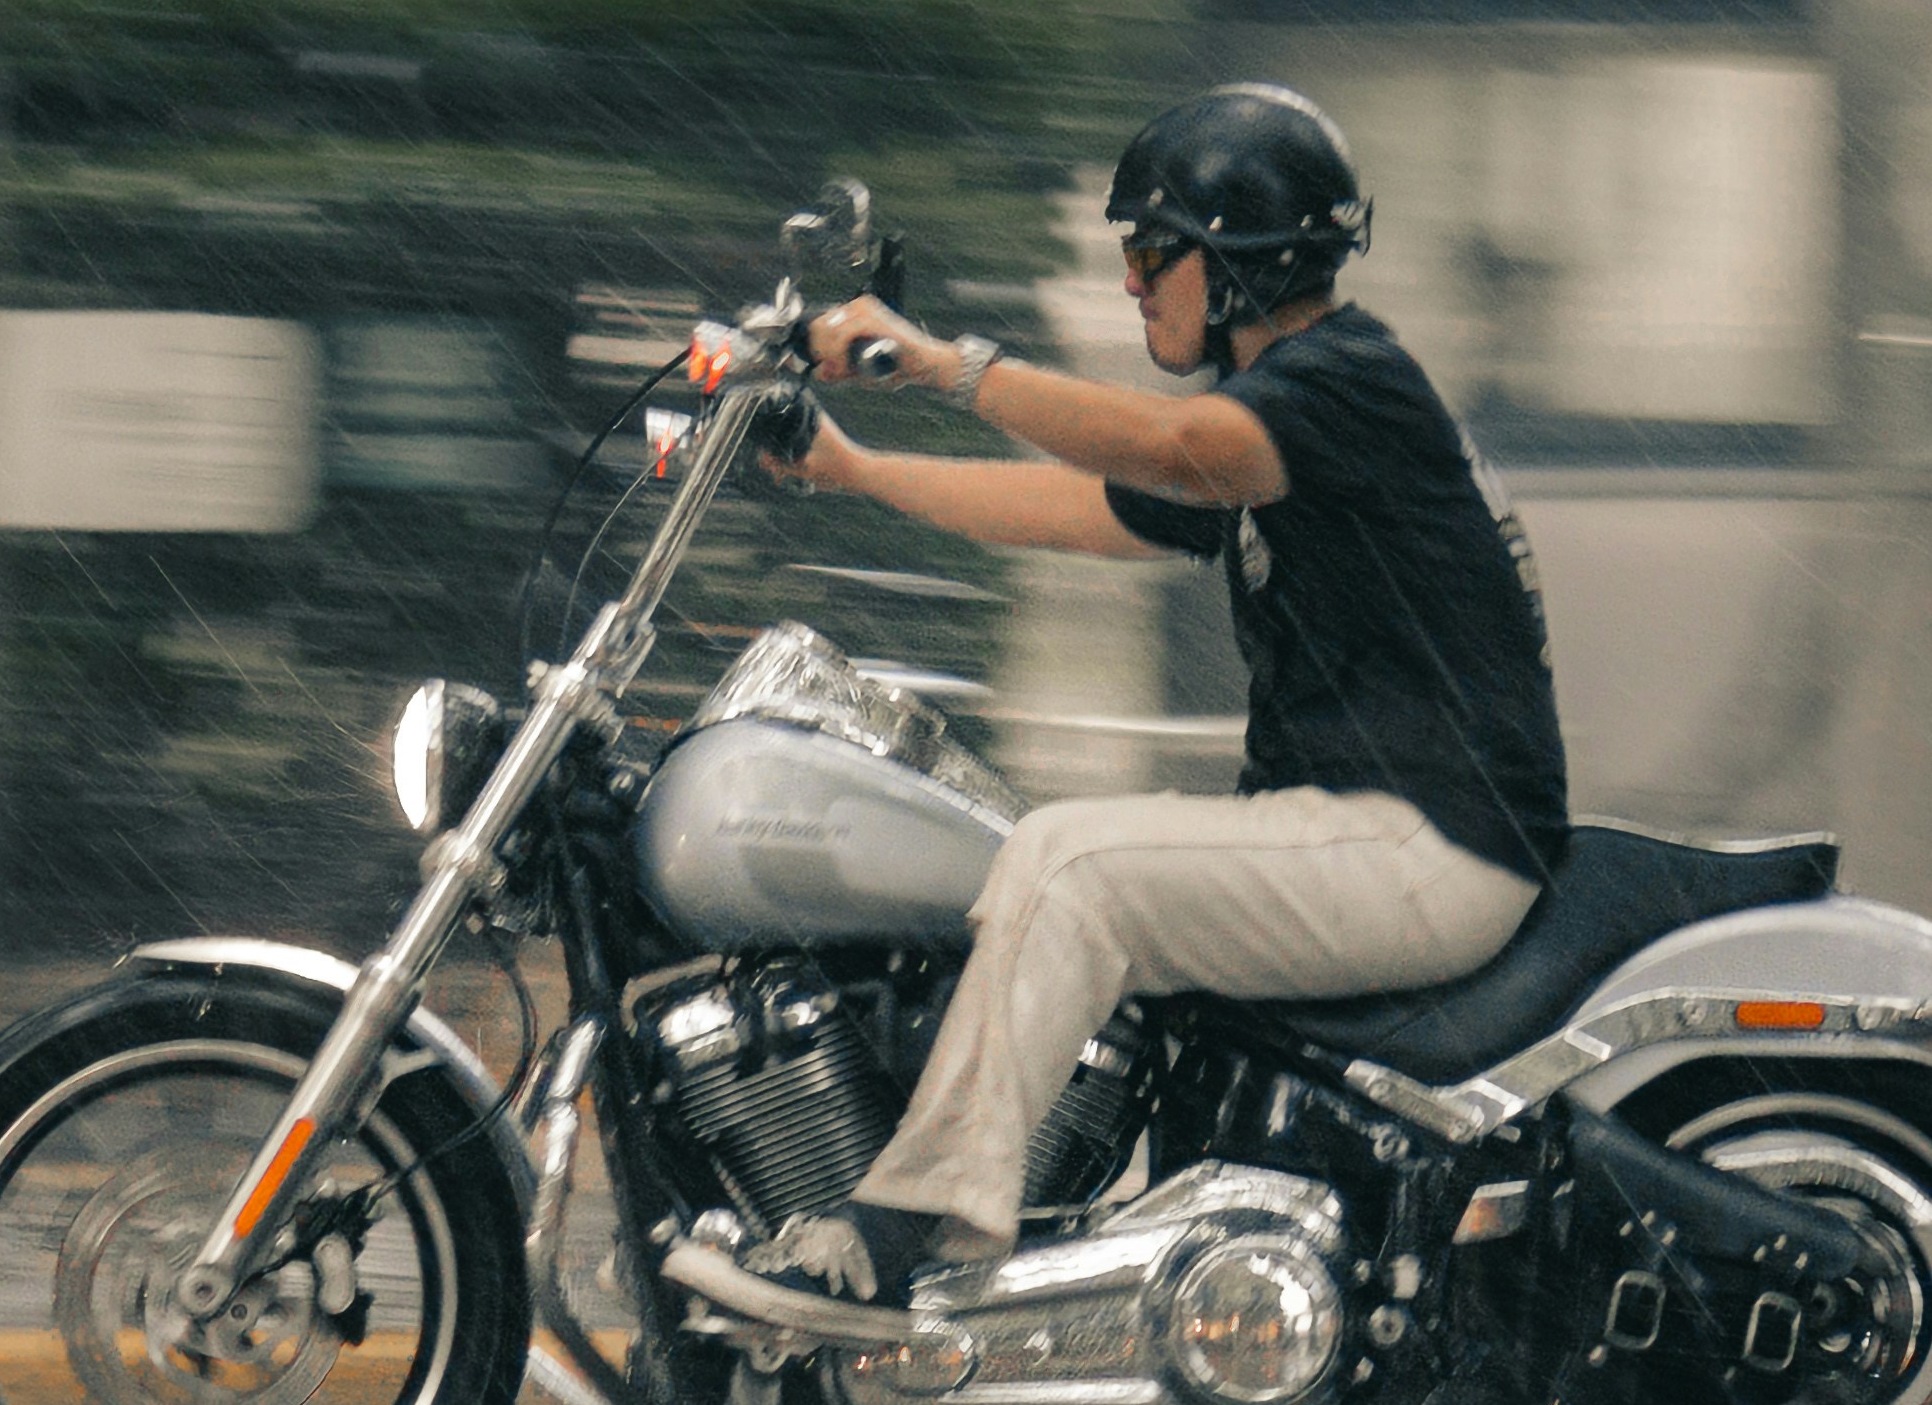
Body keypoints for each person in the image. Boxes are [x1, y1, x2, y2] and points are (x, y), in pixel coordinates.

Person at [669, 83, 1568, 1333]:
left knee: (1069, 864)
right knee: (1038, 846)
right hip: (1369, 832)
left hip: (1428, 846)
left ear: (1241, 259)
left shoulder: (1339, 384)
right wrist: (853, 471)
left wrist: (946, 367)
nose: (1134, 284)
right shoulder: (1285, 413)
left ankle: (896, 1237)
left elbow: (1171, 450)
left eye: (1153, 254)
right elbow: (1081, 511)